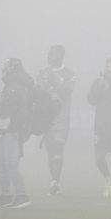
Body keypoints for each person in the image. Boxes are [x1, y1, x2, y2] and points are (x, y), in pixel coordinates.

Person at [0, 58, 35, 208]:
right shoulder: (16, 86)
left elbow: (8, 109)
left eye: (6, 68)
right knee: (1, 164)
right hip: (9, 130)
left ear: (11, 69)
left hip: (13, 130)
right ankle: (5, 195)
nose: (3, 71)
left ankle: (22, 195)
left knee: (10, 164)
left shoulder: (14, 87)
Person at [36, 45, 75, 196]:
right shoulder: (42, 72)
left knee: (58, 148)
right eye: (49, 53)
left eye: (54, 54)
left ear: (61, 56)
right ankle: (54, 180)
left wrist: (55, 82)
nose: (50, 56)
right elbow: (38, 91)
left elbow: (67, 92)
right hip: (46, 116)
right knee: (51, 150)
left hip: (61, 117)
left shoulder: (69, 73)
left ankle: (55, 183)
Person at [87, 58, 111, 197]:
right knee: (99, 158)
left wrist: (110, 88)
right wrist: (99, 88)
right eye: (108, 67)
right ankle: (107, 178)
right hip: (101, 125)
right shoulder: (98, 82)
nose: (110, 70)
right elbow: (91, 100)